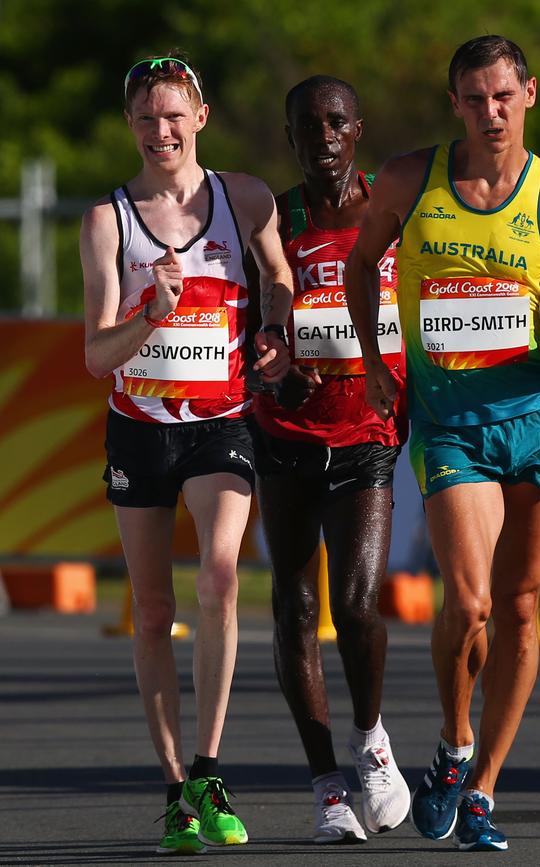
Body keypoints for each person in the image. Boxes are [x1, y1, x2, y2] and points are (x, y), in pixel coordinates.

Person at [345, 35, 540, 852]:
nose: (491, 113)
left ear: (529, 93)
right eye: (474, 98)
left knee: (522, 605)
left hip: (535, 418)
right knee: (471, 599)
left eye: (504, 96)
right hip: (452, 421)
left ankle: (486, 785)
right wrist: (376, 360)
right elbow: (361, 267)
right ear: (454, 102)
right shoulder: (408, 180)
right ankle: (454, 745)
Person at [80, 53, 292, 855]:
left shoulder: (244, 198)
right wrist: (151, 313)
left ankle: (210, 766)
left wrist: (274, 332)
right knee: (152, 611)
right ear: (130, 126)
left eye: (174, 115)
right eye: (145, 117)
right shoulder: (109, 221)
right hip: (138, 426)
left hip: (222, 420)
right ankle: (175, 786)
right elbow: (99, 354)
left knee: (220, 576)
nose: (160, 130)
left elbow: (277, 278)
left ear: (199, 117)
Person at [251, 75, 410, 844]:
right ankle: (325, 785)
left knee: (355, 604)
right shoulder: (271, 222)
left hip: (365, 437)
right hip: (283, 434)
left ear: (358, 129)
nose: (324, 135)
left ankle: (371, 736)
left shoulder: (393, 214)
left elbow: (432, 303)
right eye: (308, 124)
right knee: (295, 605)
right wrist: (276, 357)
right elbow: (247, 330)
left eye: (337, 120)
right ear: (290, 136)